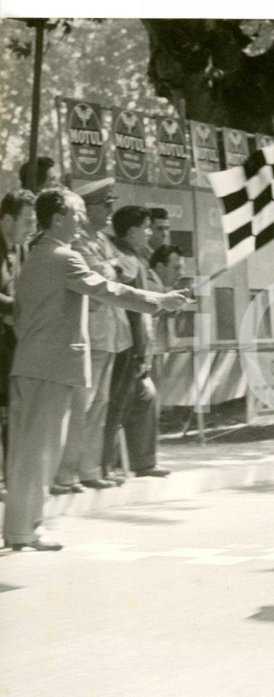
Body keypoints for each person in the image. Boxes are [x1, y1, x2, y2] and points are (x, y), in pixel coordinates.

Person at [2, 188, 189, 551]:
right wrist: (159, 301)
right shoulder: (64, 258)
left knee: (26, 452)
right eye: (75, 215)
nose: (81, 222)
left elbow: (21, 315)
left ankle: (19, 529)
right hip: (52, 368)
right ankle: (25, 530)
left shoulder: (35, 258)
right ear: (57, 219)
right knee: (40, 454)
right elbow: (107, 290)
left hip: (30, 365)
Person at [53, 177, 133, 491]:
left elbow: (127, 268)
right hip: (92, 334)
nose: (111, 210)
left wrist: (112, 266)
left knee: (99, 404)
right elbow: (101, 276)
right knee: (81, 405)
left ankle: (89, 469)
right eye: (106, 204)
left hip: (111, 333)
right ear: (90, 208)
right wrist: (112, 267)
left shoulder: (102, 240)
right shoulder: (80, 240)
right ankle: (64, 473)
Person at [107, 206, 171, 479]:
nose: (149, 233)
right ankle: (105, 466)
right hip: (126, 343)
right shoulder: (121, 257)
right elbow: (133, 303)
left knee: (143, 399)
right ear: (132, 231)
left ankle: (142, 462)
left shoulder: (137, 256)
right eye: (146, 228)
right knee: (117, 405)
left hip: (138, 344)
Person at [0, 190, 37, 502]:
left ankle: (13, 481)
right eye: (26, 221)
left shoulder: (22, 250)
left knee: (13, 412)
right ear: (8, 219)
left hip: (11, 346)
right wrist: (13, 306)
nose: (31, 227)